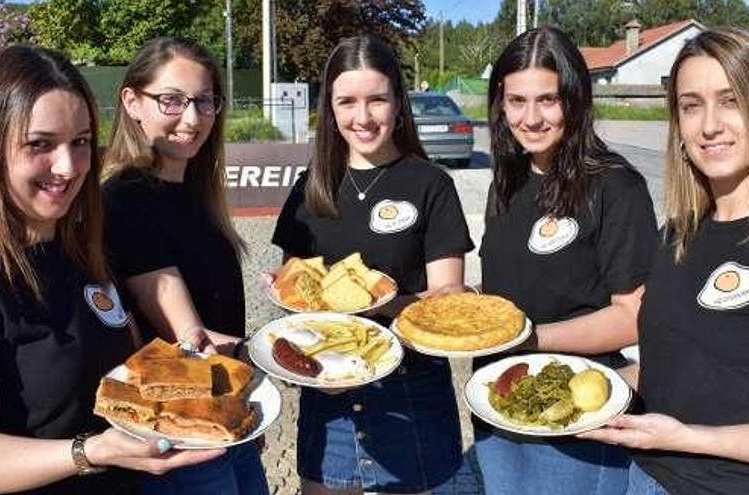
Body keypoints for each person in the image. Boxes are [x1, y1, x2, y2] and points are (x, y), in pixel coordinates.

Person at [0, 45, 221, 495]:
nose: (68, 167)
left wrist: (200, 367)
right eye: (40, 144)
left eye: (81, 142)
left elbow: (125, 367)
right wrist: (88, 452)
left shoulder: (79, 246)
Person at [580, 27, 749, 494]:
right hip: (644, 479)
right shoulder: (676, 234)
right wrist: (585, 383)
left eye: (730, 100)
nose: (709, 125)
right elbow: (672, 366)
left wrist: (690, 438)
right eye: (691, 105)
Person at [271, 34, 474, 494]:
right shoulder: (310, 188)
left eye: (377, 100)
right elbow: (294, 293)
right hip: (328, 393)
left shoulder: (431, 185)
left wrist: (378, 306)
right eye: (347, 101)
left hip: (412, 397)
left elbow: (445, 300)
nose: (362, 118)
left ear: (398, 103)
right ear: (330, 108)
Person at [475, 26, 657, 495]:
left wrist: (530, 340)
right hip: (501, 401)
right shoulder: (507, 183)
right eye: (516, 101)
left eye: (548, 100)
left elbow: (634, 316)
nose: (530, 118)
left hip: (578, 414)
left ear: (575, 101)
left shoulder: (617, 186)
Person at [103, 37, 268, 495]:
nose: (193, 119)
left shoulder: (195, 190)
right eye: (172, 100)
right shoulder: (126, 200)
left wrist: (244, 402)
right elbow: (189, 336)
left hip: (218, 407)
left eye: (205, 101)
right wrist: (279, 354)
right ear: (132, 102)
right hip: (179, 434)